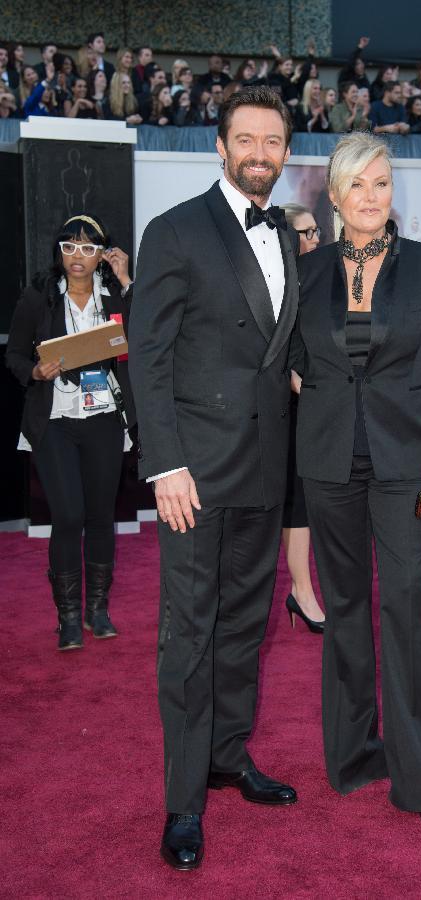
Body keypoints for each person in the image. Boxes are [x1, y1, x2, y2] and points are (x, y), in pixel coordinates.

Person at [128, 86, 300, 871]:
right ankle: (183, 800)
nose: (259, 154)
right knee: (188, 638)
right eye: (246, 141)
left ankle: (228, 757)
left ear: (285, 151)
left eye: (272, 142)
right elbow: (151, 357)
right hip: (192, 475)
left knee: (241, 629)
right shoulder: (174, 231)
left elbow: (275, 351)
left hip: (263, 469)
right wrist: (163, 462)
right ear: (220, 146)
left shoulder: (291, 239)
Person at [288, 132, 421, 823]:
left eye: (381, 183)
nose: (371, 197)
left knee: (403, 601)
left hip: (414, 472)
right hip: (327, 466)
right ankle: (353, 753)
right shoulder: (306, 274)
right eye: (357, 185)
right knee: (345, 610)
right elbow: (289, 360)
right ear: (334, 196)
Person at [6, 215, 135, 651]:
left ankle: (98, 610)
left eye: (87, 247)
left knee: (101, 515)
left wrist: (126, 280)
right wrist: (36, 372)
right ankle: (68, 618)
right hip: (55, 419)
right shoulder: (38, 298)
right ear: (59, 252)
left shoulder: (115, 296)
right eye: (69, 246)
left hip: (102, 418)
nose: (77, 256)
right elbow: (15, 355)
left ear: (103, 253)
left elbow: (144, 337)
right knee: (68, 516)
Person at [279, 203, 325, 633]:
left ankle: (305, 591)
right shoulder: (279, 284)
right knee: (296, 504)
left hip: (320, 403)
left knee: (309, 504)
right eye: (306, 233)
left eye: (316, 232)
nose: (315, 240)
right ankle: (302, 591)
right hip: (289, 407)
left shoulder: (323, 278)